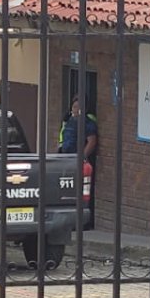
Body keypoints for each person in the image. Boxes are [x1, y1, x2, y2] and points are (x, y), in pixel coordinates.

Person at [58, 96, 98, 227]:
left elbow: (92, 142)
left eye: (78, 107)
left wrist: (81, 157)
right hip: (66, 159)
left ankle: (84, 222)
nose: (75, 110)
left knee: (81, 190)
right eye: (74, 107)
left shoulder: (87, 123)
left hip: (77, 160)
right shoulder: (69, 120)